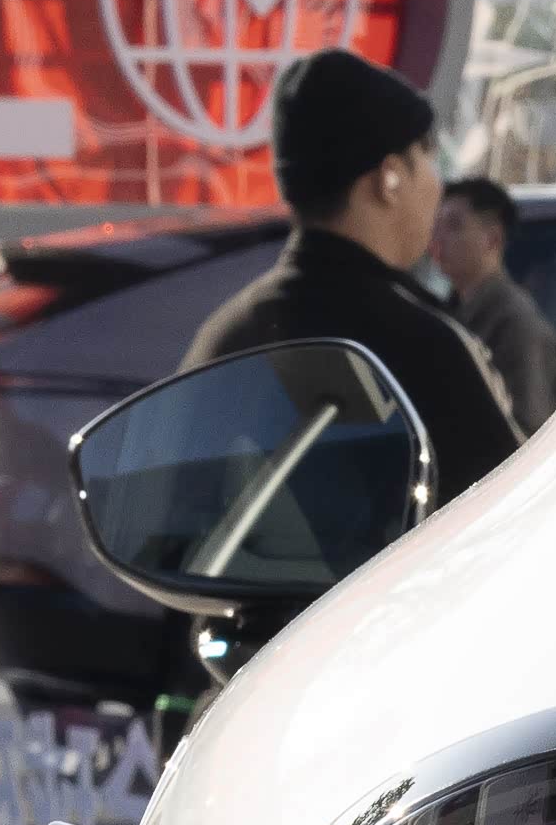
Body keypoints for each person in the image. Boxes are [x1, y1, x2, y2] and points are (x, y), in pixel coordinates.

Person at [183, 49, 522, 507]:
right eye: (428, 157)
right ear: (390, 179)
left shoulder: (224, 339)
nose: (437, 185)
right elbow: (513, 521)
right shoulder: (426, 350)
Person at [427, 176, 556, 432]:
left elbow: (528, 432)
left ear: (492, 239)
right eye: (436, 226)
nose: (438, 238)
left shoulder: (517, 323)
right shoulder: (450, 312)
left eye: (454, 226)